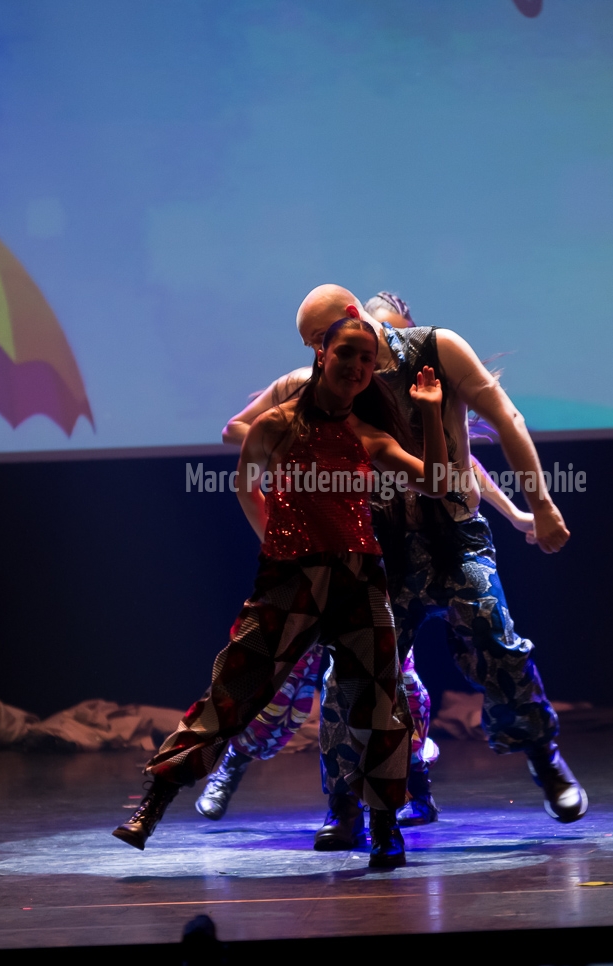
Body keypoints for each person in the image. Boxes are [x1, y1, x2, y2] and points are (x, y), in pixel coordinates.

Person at [215, 285, 584, 849]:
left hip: (453, 537)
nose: (318, 352)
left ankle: (542, 755)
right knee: (351, 675)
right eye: (315, 346)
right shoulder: (320, 384)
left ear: (350, 317)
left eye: (317, 338)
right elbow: (244, 430)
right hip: (379, 548)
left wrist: (541, 506)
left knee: (494, 637)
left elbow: (503, 417)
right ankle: (344, 805)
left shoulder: (437, 349)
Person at [115, 311, 452, 869]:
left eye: (367, 360)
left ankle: (384, 825)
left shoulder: (367, 434)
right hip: (289, 579)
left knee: (380, 704)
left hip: (358, 582)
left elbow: (437, 482)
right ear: (322, 353)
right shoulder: (276, 425)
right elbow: (246, 487)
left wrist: (432, 412)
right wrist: (279, 543)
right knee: (232, 691)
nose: (356, 366)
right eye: (346, 354)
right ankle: (154, 802)